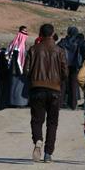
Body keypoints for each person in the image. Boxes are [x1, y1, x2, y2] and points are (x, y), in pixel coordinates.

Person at [24, 23, 67, 162]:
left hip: (37, 89)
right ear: (52, 33)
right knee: (52, 123)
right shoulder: (59, 51)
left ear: (40, 35)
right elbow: (65, 72)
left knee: (37, 120)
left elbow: (26, 71)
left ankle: (38, 140)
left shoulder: (33, 49)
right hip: (55, 90)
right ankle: (48, 154)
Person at [58, 26, 85, 110]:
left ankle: (60, 103)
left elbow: (58, 48)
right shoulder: (79, 42)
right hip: (75, 65)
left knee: (63, 84)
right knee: (74, 85)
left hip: (65, 64)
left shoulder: (63, 41)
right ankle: (73, 104)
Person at [6, 26, 29, 107]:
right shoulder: (17, 47)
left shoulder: (13, 44)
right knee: (17, 88)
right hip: (17, 70)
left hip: (14, 70)